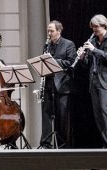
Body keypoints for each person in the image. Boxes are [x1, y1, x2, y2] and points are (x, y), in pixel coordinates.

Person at [75, 14, 107, 148]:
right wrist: (83, 57)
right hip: (94, 80)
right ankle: (106, 144)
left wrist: (94, 50)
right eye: (92, 27)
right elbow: (88, 64)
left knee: (106, 112)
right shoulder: (93, 41)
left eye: (96, 27)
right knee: (98, 114)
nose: (93, 29)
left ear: (104, 25)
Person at [39, 20, 76, 148]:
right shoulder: (47, 46)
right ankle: (46, 144)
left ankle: (64, 145)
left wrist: (53, 61)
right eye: (48, 31)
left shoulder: (68, 44)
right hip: (48, 84)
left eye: (51, 31)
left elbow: (71, 63)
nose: (49, 33)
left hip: (62, 85)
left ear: (59, 31)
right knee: (46, 115)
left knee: (62, 117)